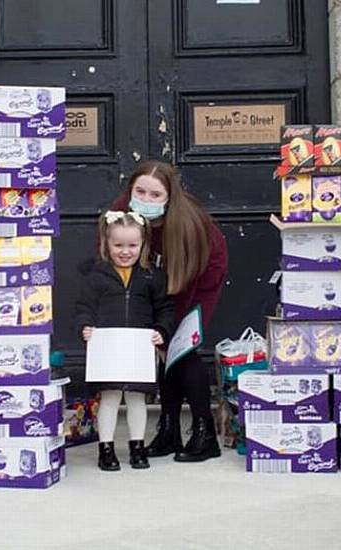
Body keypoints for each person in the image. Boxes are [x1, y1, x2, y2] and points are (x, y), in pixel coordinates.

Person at [108, 160, 229, 463]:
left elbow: (185, 282)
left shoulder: (187, 224)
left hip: (197, 279)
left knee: (181, 350)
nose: (145, 200)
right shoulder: (122, 211)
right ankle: (169, 430)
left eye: (155, 195)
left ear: (169, 196)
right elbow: (111, 252)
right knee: (161, 351)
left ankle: (205, 435)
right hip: (156, 282)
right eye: (141, 192)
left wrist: (170, 329)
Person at [76, 211, 174, 471]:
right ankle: (105, 448)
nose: (125, 251)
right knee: (108, 399)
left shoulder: (152, 276)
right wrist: (85, 326)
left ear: (143, 244)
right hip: (107, 348)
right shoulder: (96, 276)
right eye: (118, 245)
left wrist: (161, 330)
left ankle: (137, 447)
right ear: (106, 243)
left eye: (132, 245)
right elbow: (84, 307)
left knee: (136, 399)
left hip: (139, 350)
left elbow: (164, 308)